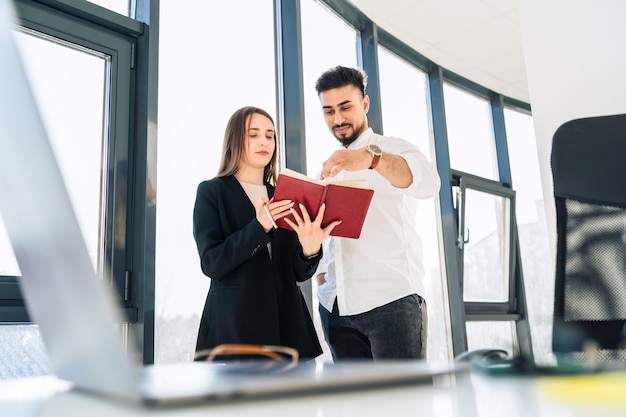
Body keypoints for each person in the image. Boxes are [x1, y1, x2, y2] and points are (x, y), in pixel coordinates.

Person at [313, 66, 441, 360]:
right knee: (358, 407)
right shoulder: (325, 170)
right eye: (329, 111)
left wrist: (371, 160)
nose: (338, 119)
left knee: (401, 405)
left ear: (365, 104)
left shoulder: (394, 149)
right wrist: (322, 277)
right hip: (336, 310)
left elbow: (429, 183)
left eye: (346, 107)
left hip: (391, 304)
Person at [192, 106, 338, 361]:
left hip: (290, 329)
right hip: (235, 330)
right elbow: (212, 263)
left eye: (270, 135)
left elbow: (298, 273)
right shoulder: (212, 192)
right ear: (235, 140)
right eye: (254, 134)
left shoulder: (285, 195)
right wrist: (259, 227)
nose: (264, 141)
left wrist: (310, 249)